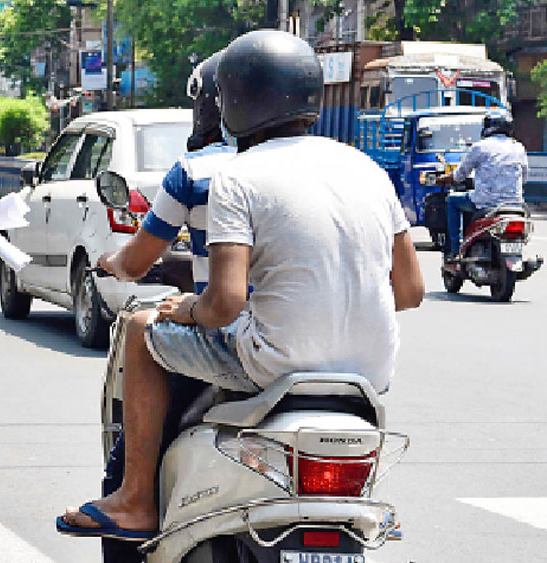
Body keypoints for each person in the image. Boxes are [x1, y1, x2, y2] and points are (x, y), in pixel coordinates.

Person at [58, 29, 425, 541]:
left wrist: (181, 310)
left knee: (141, 332)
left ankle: (137, 500)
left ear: (232, 100)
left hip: (272, 363)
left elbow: (226, 303)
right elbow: (409, 292)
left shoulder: (240, 175)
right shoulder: (366, 168)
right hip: (370, 371)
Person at [74, 52, 236, 560]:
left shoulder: (199, 171)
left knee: (144, 327)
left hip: (245, 341)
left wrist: (112, 262)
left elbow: (137, 264)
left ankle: (135, 498)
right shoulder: (336, 167)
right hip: (346, 357)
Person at [437, 108, 528, 262]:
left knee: (452, 200)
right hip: (515, 205)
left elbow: (459, 175)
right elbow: (524, 177)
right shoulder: (518, 147)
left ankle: (455, 249)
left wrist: (444, 178)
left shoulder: (480, 147)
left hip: (485, 202)